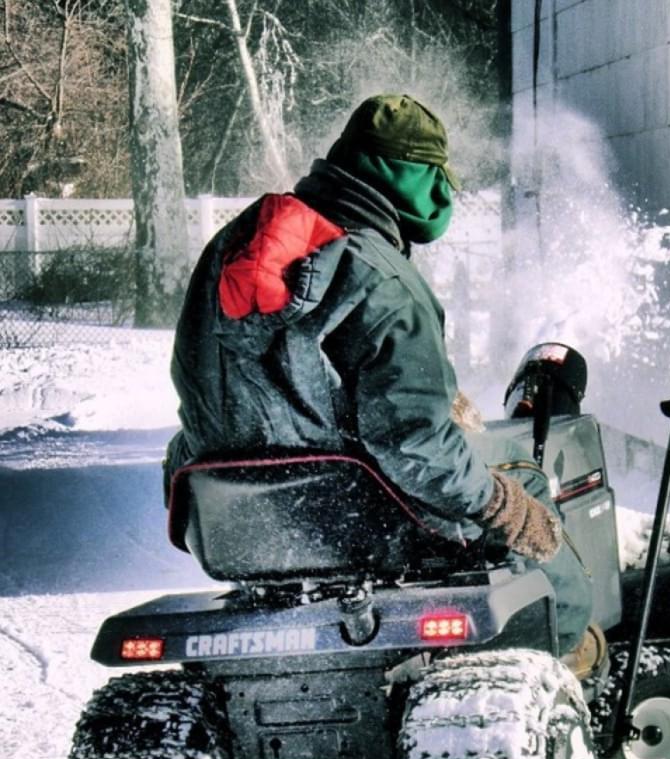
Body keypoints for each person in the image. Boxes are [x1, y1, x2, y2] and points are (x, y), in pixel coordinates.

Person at [165, 93, 597, 665]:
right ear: (414, 178)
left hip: (231, 524)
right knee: (521, 483)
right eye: (439, 176)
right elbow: (418, 447)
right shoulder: (380, 276)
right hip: (356, 529)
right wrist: (507, 505)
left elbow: (240, 383)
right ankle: (560, 648)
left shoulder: (235, 245)